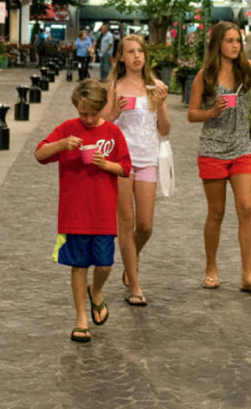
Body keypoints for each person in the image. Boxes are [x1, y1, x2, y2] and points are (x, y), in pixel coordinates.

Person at [35, 80, 133, 343]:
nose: (88, 119)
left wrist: (106, 164)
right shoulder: (67, 130)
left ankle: (96, 291)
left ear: (102, 108)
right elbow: (40, 154)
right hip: (74, 212)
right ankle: (81, 318)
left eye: (93, 113)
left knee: (105, 263)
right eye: (82, 113)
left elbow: (125, 168)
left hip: (102, 211)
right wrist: (61, 145)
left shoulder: (113, 133)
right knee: (78, 266)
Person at [187, 21, 251, 295]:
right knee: (216, 212)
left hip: (241, 147)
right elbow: (192, 114)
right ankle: (211, 268)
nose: (235, 45)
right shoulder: (205, 75)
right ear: (218, 44)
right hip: (212, 149)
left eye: (238, 40)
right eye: (229, 40)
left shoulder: (247, 70)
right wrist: (211, 111)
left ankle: (247, 274)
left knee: (247, 209)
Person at [102, 35, 170, 307]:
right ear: (121, 57)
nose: (136, 56)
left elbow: (164, 130)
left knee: (145, 225)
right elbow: (103, 123)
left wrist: (162, 103)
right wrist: (115, 113)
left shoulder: (155, 87)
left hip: (148, 158)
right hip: (121, 161)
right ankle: (135, 283)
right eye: (130, 52)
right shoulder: (114, 88)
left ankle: (132, 259)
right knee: (126, 223)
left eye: (140, 51)